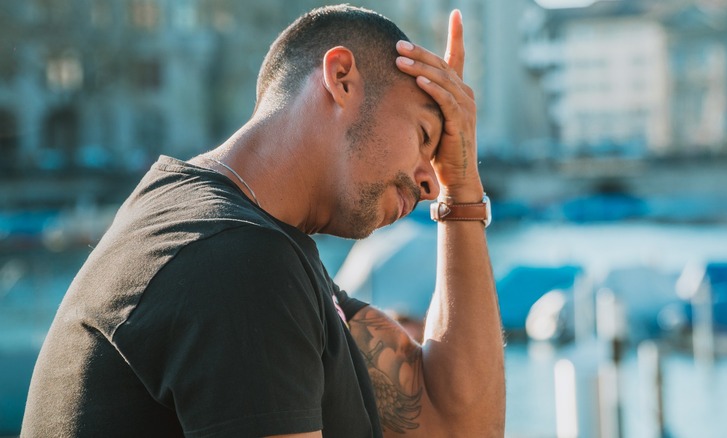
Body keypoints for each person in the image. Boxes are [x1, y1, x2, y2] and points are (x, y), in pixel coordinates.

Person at [22, 4, 505, 437]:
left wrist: (463, 188)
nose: (431, 183)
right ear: (340, 78)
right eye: (424, 136)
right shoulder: (233, 259)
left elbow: (455, 423)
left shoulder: (234, 239)